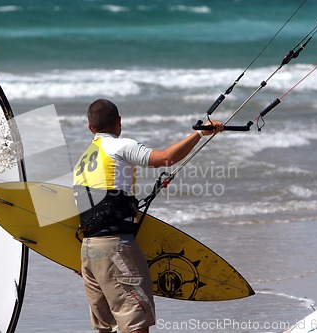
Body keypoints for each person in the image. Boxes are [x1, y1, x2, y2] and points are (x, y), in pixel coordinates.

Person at [73, 98, 224, 333]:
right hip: (115, 248)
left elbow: (83, 212)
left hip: (88, 251)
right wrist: (199, 135)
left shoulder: (81, 163)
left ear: (90, 128)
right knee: (136, 323)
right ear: (119, 123)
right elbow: (164, 159)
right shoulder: (119, 146)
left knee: (107, 328)